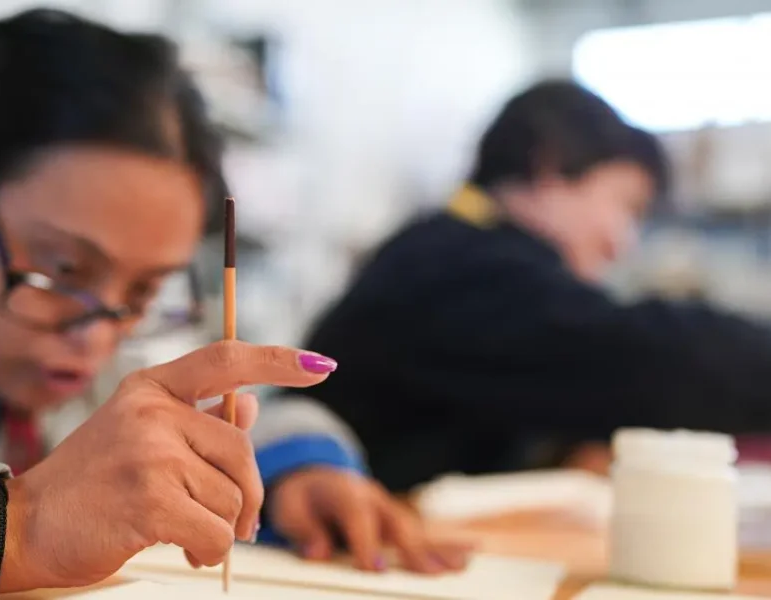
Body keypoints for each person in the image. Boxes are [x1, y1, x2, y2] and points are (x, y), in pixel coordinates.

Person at [0, 10, 468, 600]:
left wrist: (296, 468)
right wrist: (17, 525)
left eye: (145, 291)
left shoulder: (72, 325)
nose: (98, 339)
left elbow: (192, 419)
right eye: (63, 268)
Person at [278, 79, 771, 494]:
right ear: (551, 167)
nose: (623, 244)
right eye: (627, 206)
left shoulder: (444, 246)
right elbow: (645, 359)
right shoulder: (456, 265)